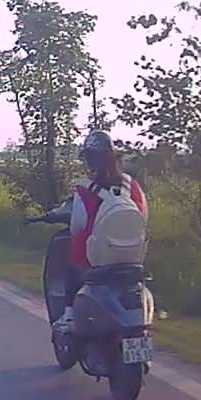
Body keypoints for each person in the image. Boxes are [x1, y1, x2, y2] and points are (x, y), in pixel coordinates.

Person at [51, 129, 148, 333]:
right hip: (133, 258)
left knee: (71, 265)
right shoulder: (133, 186)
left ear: (89, 160)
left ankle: (69, 315)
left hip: (95, 260)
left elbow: (77, 227)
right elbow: (143, 217)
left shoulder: (85, 190)